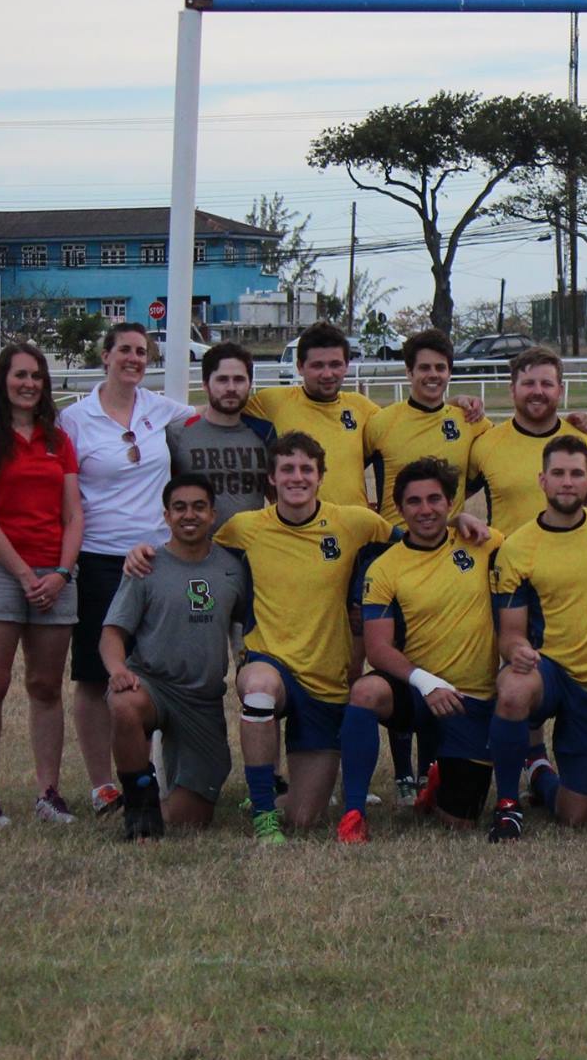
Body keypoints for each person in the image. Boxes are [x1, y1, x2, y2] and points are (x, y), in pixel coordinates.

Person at [217, 432, 394, 839]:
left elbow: (417, 543)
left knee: (304, 817)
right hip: (268, 661)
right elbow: (192, 552)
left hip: (326, 680)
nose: (297, 477)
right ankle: (263, 812)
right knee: (259, 688)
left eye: (306, 469)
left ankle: (277, 801)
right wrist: (146, 554)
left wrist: (463, 524)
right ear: (272, 478)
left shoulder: (354, 522)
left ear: (320, 476)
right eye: (287, 469)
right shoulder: (244, 528)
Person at [59, 321, 196, 816]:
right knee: (97, 676)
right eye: (125, 350)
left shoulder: (162, 410)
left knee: (159, 671)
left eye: (142, 351)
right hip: (99, 560)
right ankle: (103, 786)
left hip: (159, 561)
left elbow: (219, 414)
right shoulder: (74, 420)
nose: (134, 358)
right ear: (106, 355)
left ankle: (163, 775)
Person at [340, 458, 505, 838]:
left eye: (435, 499)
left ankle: (436, 781)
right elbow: (378, 650)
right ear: (399, 509)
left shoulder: (482, 542)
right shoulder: (383, 568)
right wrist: (426, 682)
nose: (425, 509)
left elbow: (538, 543)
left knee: (458, 824)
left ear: (450, 503)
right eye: (414, 502)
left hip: (471, 698)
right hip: (417, 691)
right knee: (365, 691)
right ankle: (353, 814)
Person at [487, 435, 587, 842]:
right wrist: (517, 653)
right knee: (513, 688)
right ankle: (507, 806)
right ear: (542, 481)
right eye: (558, 474)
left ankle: (539, 774)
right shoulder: (518, 547)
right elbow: (511, 634)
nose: (567, 482)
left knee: (577, 815)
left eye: (576, 474)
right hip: (546, 670)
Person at [0, 342, 82, 827]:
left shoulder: (59, 440)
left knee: (45, 686)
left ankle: (48, 793)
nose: (29, 384)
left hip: (54, 574)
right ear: (2, 381)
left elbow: (74, 514)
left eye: (36, 376)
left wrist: (61, 573)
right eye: (20, 376)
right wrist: (23, 574)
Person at [98, 473, 251, 839]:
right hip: (152, 683)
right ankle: (139, 803)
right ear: (166, 516)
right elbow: (111, 633)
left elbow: (250, 626)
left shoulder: (232, 568)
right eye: (179, 508)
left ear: (213, 514)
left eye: (199, 507)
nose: (189, 515)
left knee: (191, 818)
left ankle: (163, 803)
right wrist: (118, 669)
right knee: (124, 704)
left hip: (202, 699)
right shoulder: (146, 566)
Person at [468, 346, 587, 537]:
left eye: (547, 384)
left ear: (560, 390)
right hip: (509, 563)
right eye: (528, 383)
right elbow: (448, 504)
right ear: (512, 389)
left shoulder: (586, 445)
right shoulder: (485, 445)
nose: (538, 391)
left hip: (571, 561)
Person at [244, 321, 381, 508]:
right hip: (298, 528)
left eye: (335, 364)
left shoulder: (362, 407)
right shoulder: (272, 402)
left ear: (347, 365)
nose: (327, 374)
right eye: (318, 365)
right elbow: (222, 412)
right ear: (300, 366)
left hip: (353, 528)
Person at [363, 330, 489, 529]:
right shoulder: (381, 423)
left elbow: (493, 468)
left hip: (446, 548)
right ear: (409, 372)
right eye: (424, 368)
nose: (433, 375)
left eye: (440, 368)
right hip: (394, 545)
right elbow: (348, 468)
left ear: (449, 372)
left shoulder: (470, 421)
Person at [166, 342, 272, 527]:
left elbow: (278, 496)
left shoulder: (266, 432)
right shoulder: (177, 433)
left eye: (239, 379)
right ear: (206, 385)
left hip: (250, 547)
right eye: (222, 379)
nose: (231, 388)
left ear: (250, 384)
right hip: (195, 548)